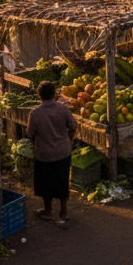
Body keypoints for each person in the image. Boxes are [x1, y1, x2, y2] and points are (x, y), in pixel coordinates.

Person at [27, 81, 77, 228]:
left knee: (45, 183)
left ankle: (48, 211)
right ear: (54, 94)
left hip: (44, 154)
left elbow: (30, 134)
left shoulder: (35, 113)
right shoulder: (62, 108)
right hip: (63, 151)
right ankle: (64, 212)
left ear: (39, 96)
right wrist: (69, 138)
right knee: (62, 180)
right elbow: (73, 125)